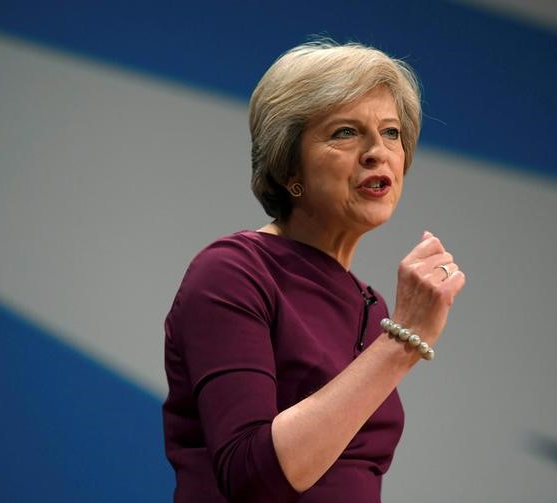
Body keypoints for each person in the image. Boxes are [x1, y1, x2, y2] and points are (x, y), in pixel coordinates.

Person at [162, 39, 466, 502]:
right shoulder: (232, 273)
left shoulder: (370, 304)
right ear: (289, 168)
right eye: (346, 132)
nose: (376, 152)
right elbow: (252, 476)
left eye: (391, 133)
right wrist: (402, 338)